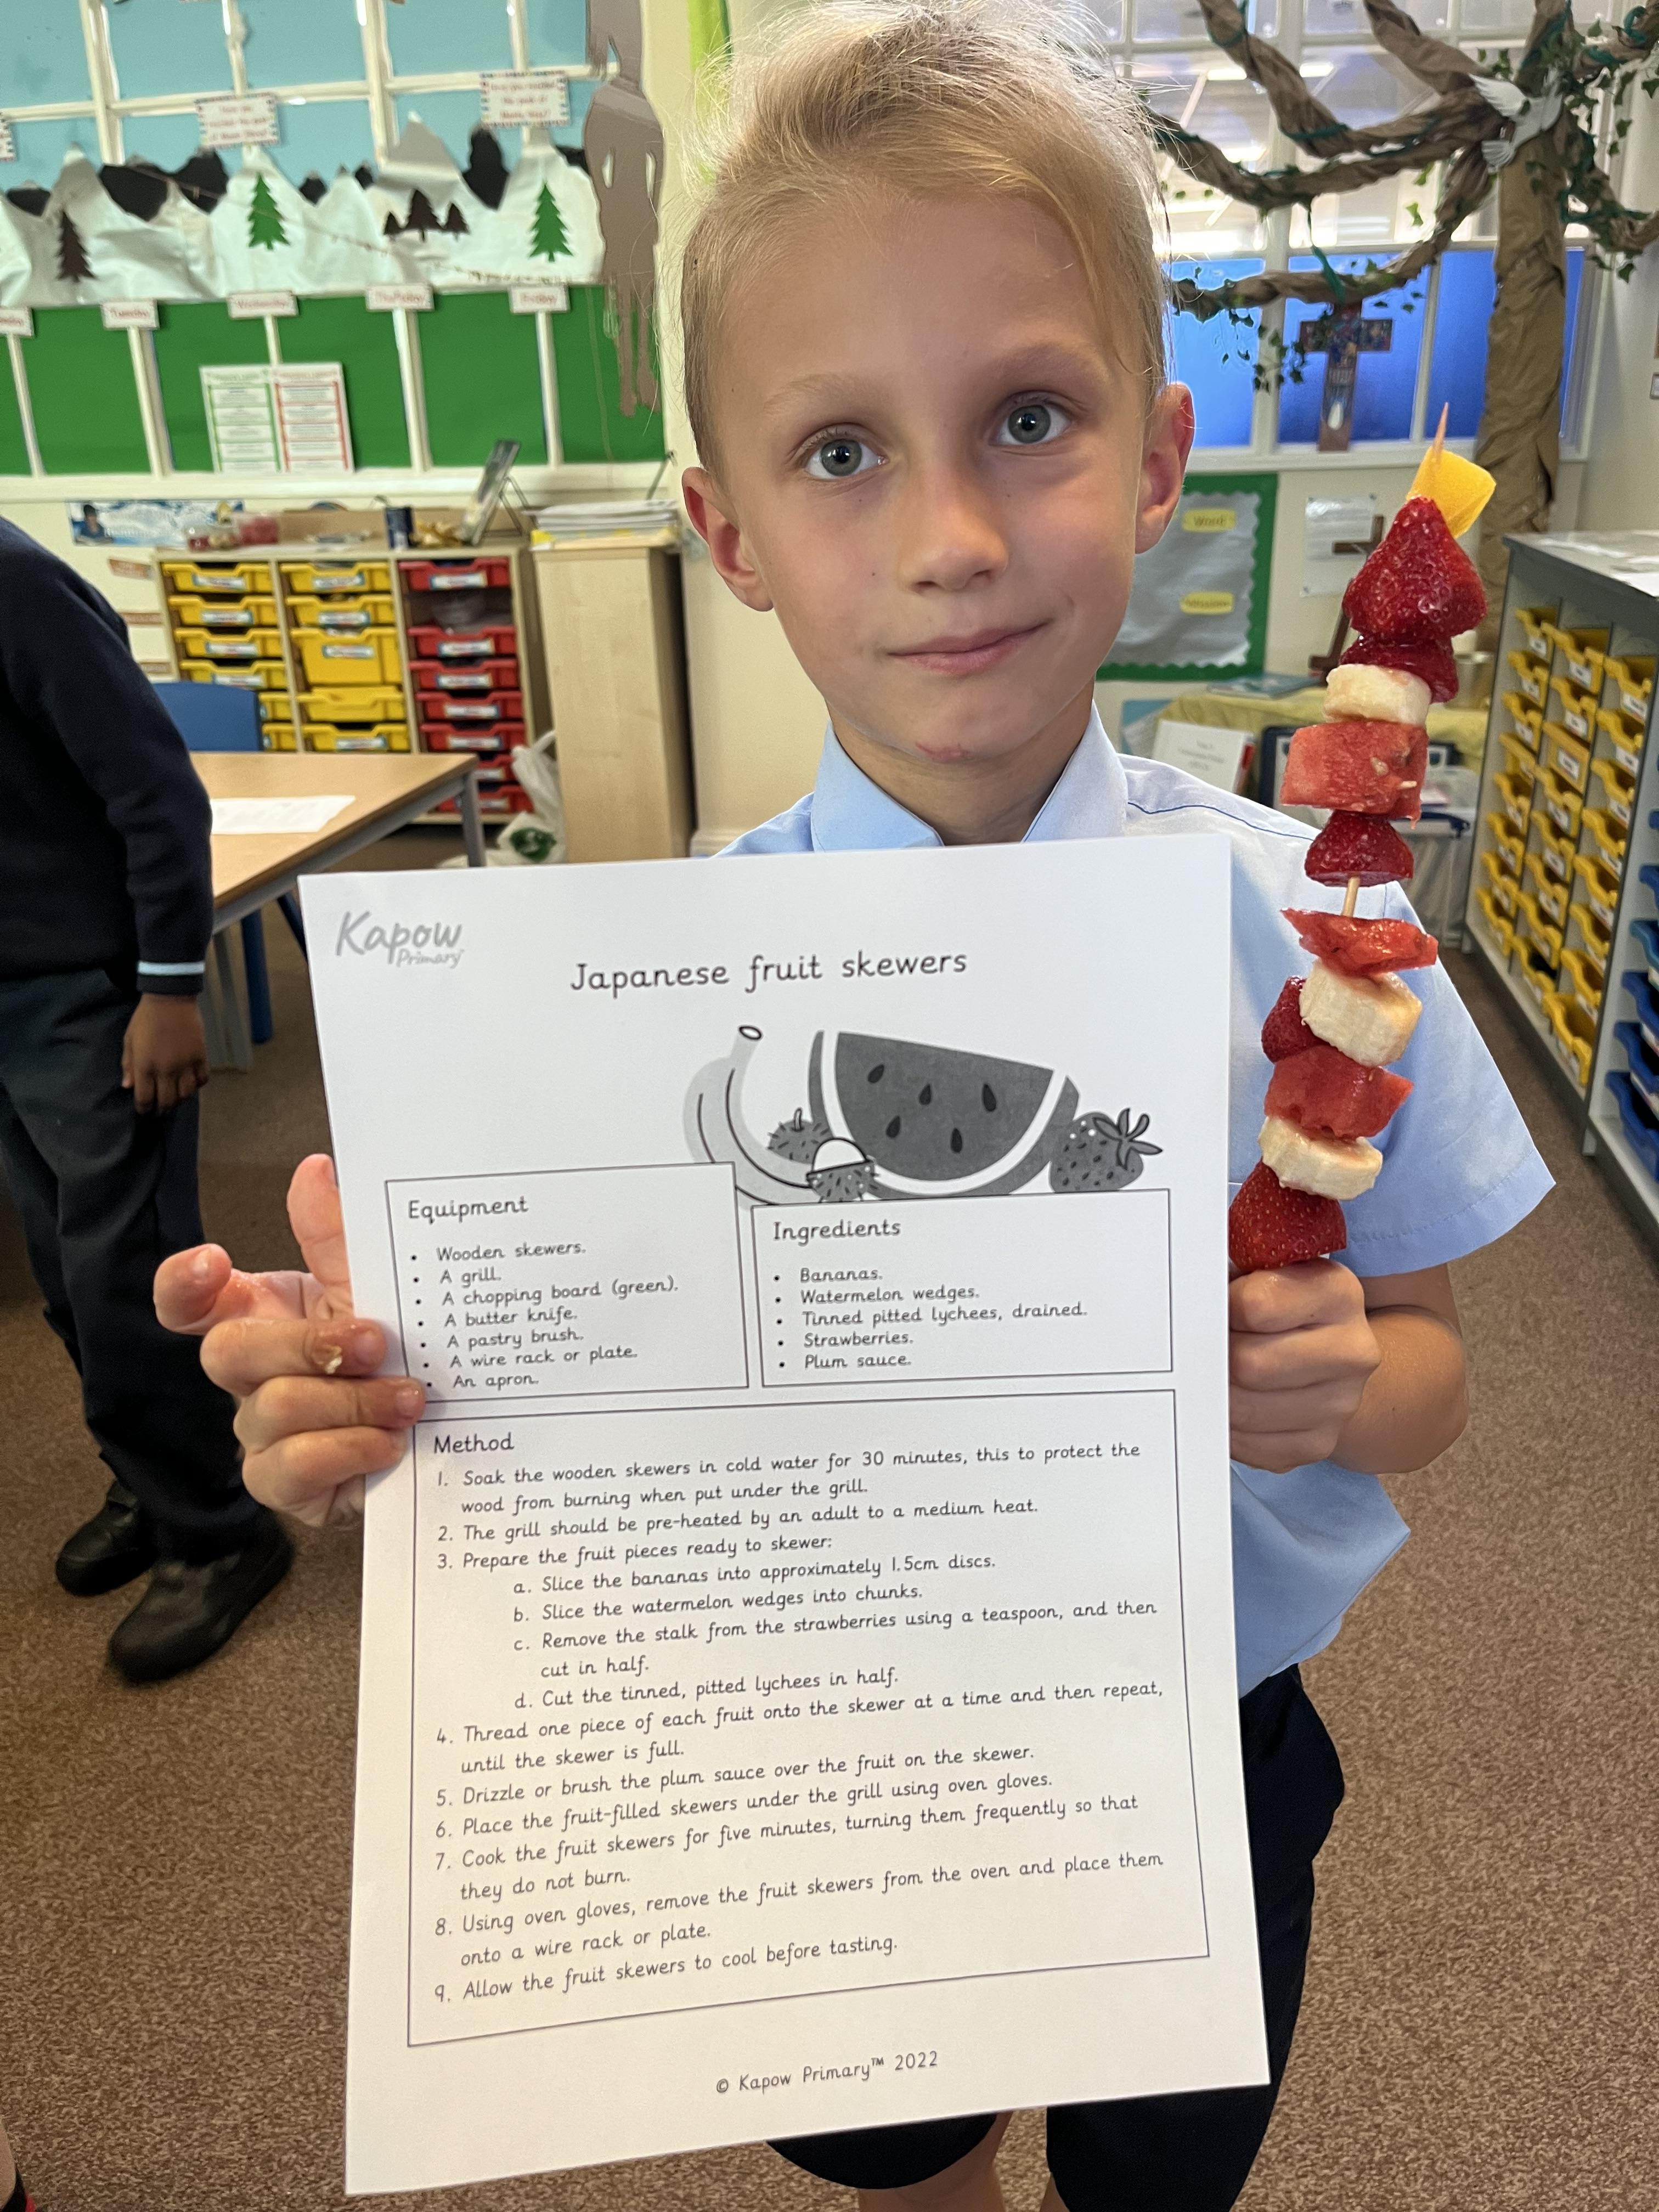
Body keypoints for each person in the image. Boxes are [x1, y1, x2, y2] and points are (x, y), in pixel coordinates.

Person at [155, 2, 1551, 2204]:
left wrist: (1337, 1383)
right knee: (895, 2158)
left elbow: (1434, 1378)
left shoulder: (1316, 937)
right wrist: (366, 1412)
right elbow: (534, 1428)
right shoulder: (629, 1007)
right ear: (728, 534)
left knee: (1163, 2174)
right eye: (839, 453)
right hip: (821, 1755)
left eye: (1028, 419)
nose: (951, 536)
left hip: (1203, 1737)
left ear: (1159, 460)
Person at [0, 519, 289, 1683]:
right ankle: (147, 1475)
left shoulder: (16, 585)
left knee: (130, 1270)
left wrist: (170, 987)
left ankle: (218, 1528)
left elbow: (157, 792)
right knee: (62, 1265)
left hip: (91, 992)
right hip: (8, 993)